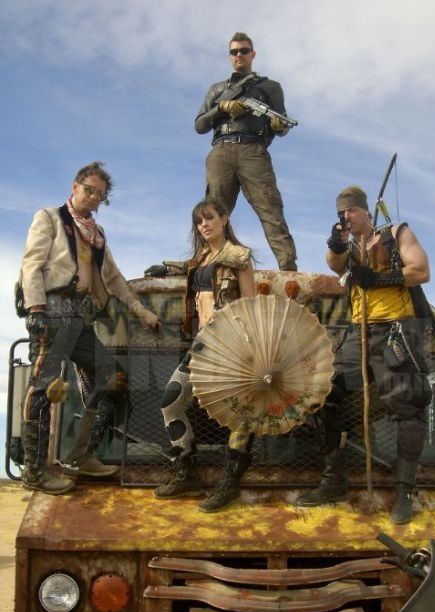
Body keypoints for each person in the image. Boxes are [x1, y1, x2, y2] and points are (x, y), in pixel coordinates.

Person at [17, 161, 160, 495]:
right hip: (52, 312)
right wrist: (36, 309)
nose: (94, 197)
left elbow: (114, 279)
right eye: (89, 190)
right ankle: (33, 471)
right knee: (43, 388)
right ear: (75, 187)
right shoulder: (50, 217)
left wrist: (141, 311)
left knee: (112, 376)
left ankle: (80, 458)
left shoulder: (96, 236)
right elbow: (31, 264)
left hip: (79, 318)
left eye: (100, 195)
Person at [296, 185, 433, 525]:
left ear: (365, 212)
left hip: (395, 331)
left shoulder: (395, 233)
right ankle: (334, 483)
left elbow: (421, 271)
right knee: (323, 394)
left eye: (351, 211)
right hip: (359, 333)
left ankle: (404, 492)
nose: (346, 216)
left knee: (408, 407)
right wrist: (335, 244)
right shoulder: (349, 247)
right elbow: (334, 263)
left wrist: (378, 279)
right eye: (341, 213)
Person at [154, 197, 256, 512]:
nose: (204, 225)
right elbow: (194, 281)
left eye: (209, 218)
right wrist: (166, 266)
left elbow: (251, 306)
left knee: (241, 413)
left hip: (231, 345)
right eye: (199, 221)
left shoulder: (240, 257)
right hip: (202, 344)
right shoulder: (199, 260)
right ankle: (187, 471)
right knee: (171, 402)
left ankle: (230, 483)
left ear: (224, 219)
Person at [194, 32, 297, 272]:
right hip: (221, 150)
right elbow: (199, 125)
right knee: (211, 213)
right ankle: (206, 264)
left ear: (253, 54)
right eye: (234, 51)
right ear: (229, 56)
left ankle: (288, 267)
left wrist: (278, 126)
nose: (239, 55)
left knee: (270, 207)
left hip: (253, 150)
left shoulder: (270, 87)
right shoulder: (217, 89)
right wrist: (222, 108)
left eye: (243, 50)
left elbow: (281, 125)